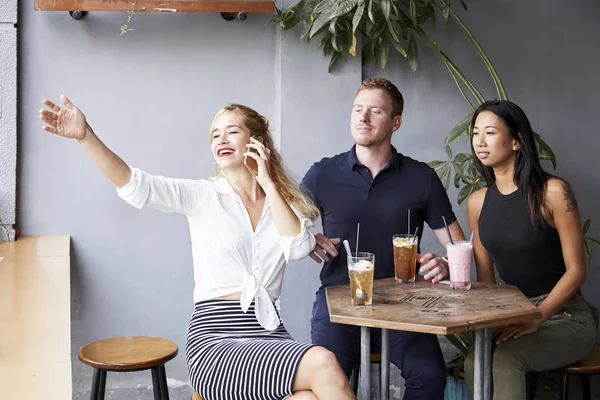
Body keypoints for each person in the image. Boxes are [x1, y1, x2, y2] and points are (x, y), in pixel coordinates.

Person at [39, 96, 356, 400]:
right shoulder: (202, 196)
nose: (222, 138)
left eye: (232, 131)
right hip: (215, 342)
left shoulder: (284, 204)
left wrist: (269, 183)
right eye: (215, 134)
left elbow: (299, 248)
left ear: (257, 141)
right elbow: (133, 183)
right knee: (324, 363)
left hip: (268, 334)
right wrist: (85, 136)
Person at [300, 77, 466, 399]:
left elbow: (456, 246)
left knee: (430, 376)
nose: (362, 118)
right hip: (340, 300)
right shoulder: (323, 174)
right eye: (358, 109)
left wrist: (445, 263)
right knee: (324, 381)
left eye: (374, 111)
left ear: (396, 122)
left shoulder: (422, 177)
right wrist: (305, 239)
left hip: (404, 303)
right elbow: (285, 226)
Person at [464, 99, 596, 400]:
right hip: (512, 314)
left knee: (509, 358)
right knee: (474, 361)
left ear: (516, 141)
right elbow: (486, 280)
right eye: (475, 134)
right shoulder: (477, 202)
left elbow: (577, 272)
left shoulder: (553, 192)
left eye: (490, 132)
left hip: (565, 317)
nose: (480, 142)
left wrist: (536, 315)